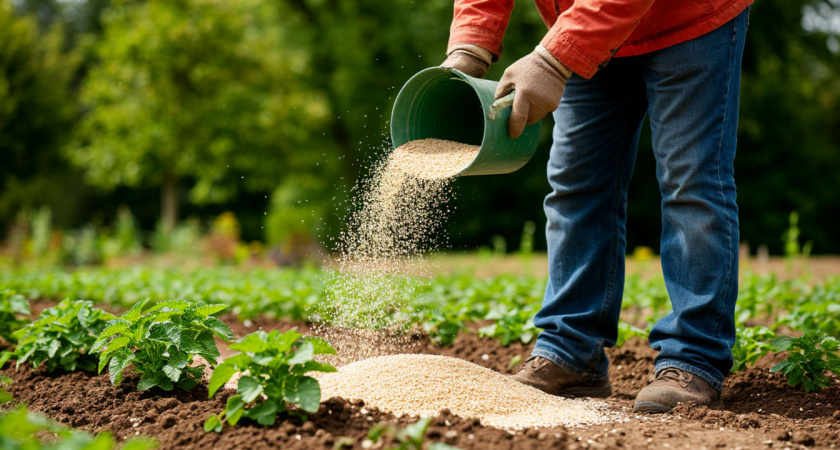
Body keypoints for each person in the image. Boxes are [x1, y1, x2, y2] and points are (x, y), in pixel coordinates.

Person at [441, 0, 752, 413]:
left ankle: (694, 358)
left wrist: (553, 59)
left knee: (690, 183)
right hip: (583, 20)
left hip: (686, 18)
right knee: (576, 184)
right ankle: (571, 352)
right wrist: (470, 45)